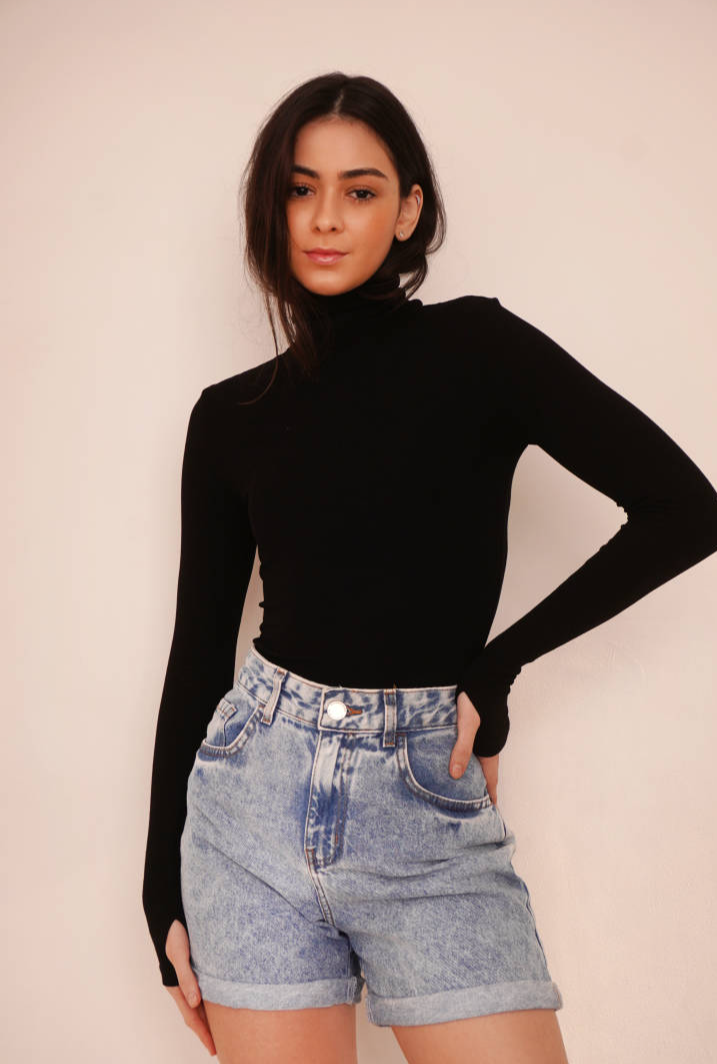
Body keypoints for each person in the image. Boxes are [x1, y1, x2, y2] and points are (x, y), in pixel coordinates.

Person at [142, 72, 717, 1064]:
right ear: (272, 207)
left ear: (408, 210)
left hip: (425, 804)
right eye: (299, 188)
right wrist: (162, 891)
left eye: (360, 190)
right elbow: (198, 655)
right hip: (248, 812)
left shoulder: (479, 348)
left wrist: (497, 668)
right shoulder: (229, 414)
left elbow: (685, 509)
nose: (326, 217)